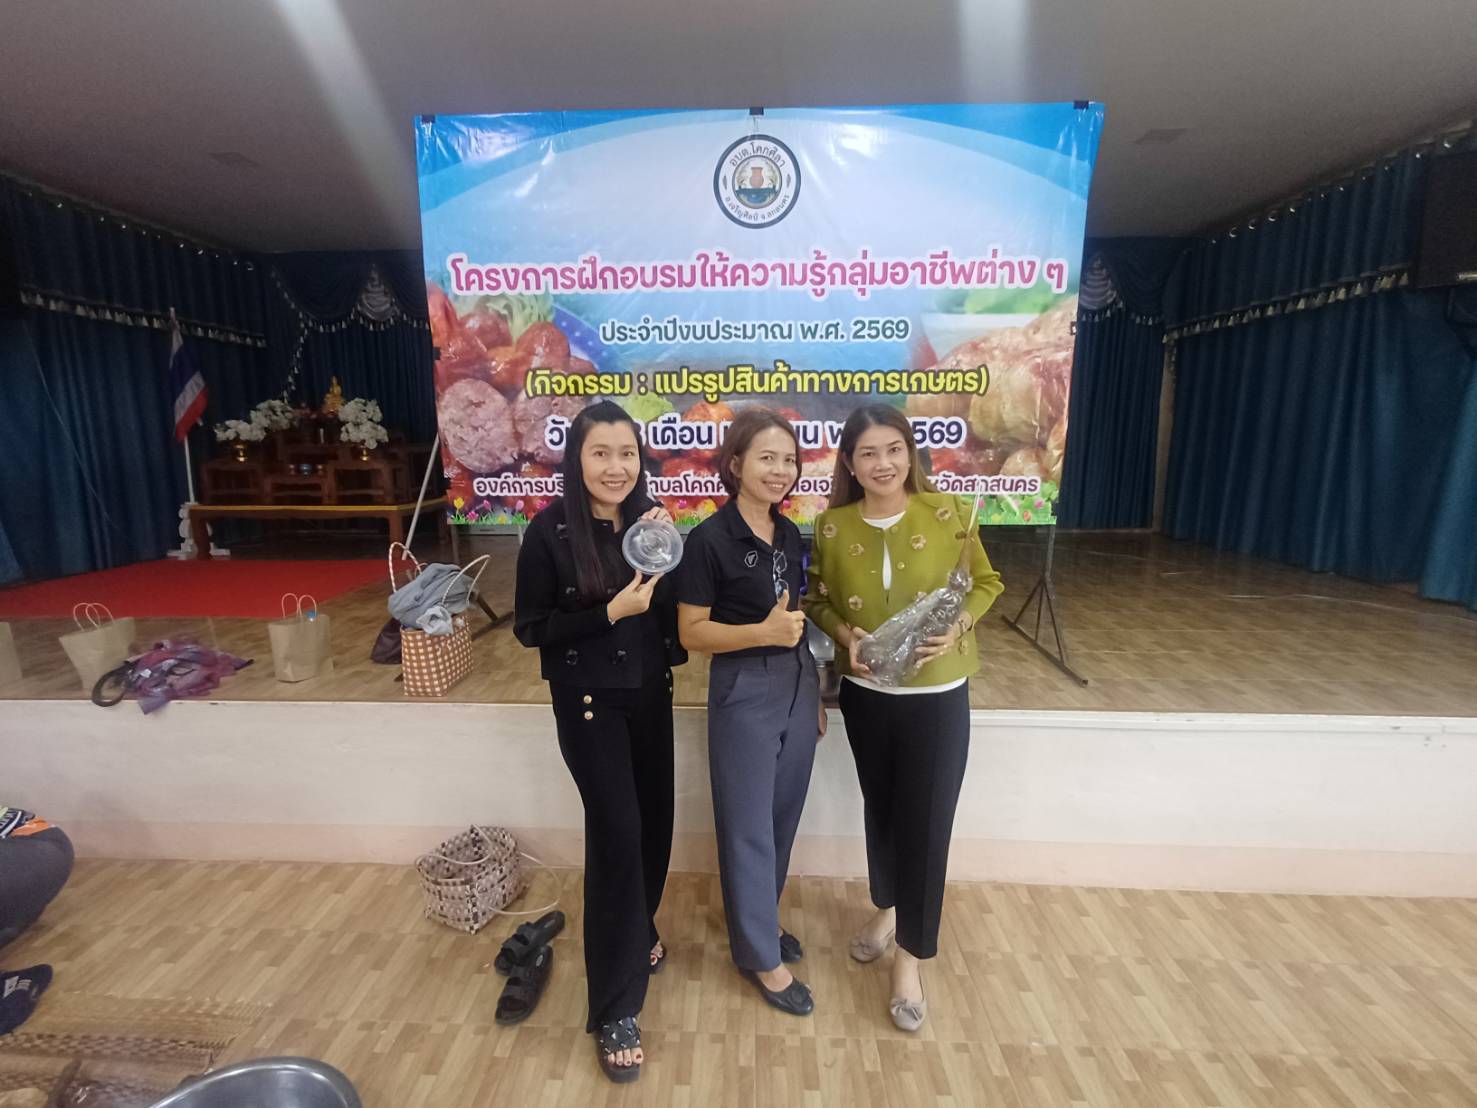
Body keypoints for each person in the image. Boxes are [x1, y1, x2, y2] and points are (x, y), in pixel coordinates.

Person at [802, 403, 1003, 1032]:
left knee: (927, 823)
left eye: (894, 449)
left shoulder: (948, 513)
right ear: (850, 462)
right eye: (868, 453)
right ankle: (887, 908)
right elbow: (816, 598)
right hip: (867, 697)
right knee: (883, 812)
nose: (883, 463)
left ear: (911, 453)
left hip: (938, 698)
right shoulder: (831, 526)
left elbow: (987, 583)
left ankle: (910, 960)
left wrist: (959, 627)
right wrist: (845, 635)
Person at [513, 400, 686, 1084]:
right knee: (617, 836)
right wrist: (609, 611)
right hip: (588, 706)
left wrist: (670, 553)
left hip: (649, 696)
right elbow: (531, 628)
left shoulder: (650, 526)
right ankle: (616, 1008)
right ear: (577, 459)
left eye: (627, 453)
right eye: (600, 453)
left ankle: (637, 927)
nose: (616, 467)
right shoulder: (549, 531)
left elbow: (669, 617)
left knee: (655, 828)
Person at [677, 407, 822, 1017]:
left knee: (782, 817)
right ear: (735, 463)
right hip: (743, 688)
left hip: (797, 685)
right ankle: (761, 956)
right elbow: (691, 632)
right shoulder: (709, 540)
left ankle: (757, 922)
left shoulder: (788, 533)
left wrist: (813, 693)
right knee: (747, 825)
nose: (780, 470)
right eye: (767, 458)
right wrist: (762, 633)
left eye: (789, 459)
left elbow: (797, 621)